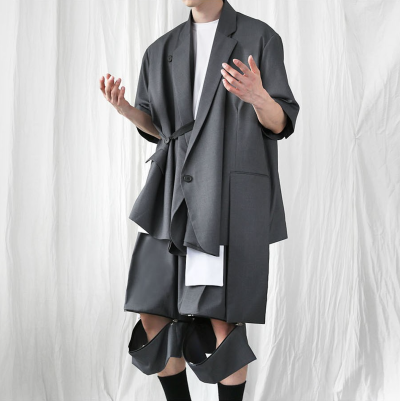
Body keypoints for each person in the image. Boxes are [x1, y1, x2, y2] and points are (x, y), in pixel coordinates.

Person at [99, 0, 300, 400]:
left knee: (222, 320)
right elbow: (159, 128)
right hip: (170, 195)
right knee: (152, 313)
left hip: (223, 198)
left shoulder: (259, 38)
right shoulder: (161, 49)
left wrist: (259, 96)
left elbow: (281, 122)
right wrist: (126, 111)